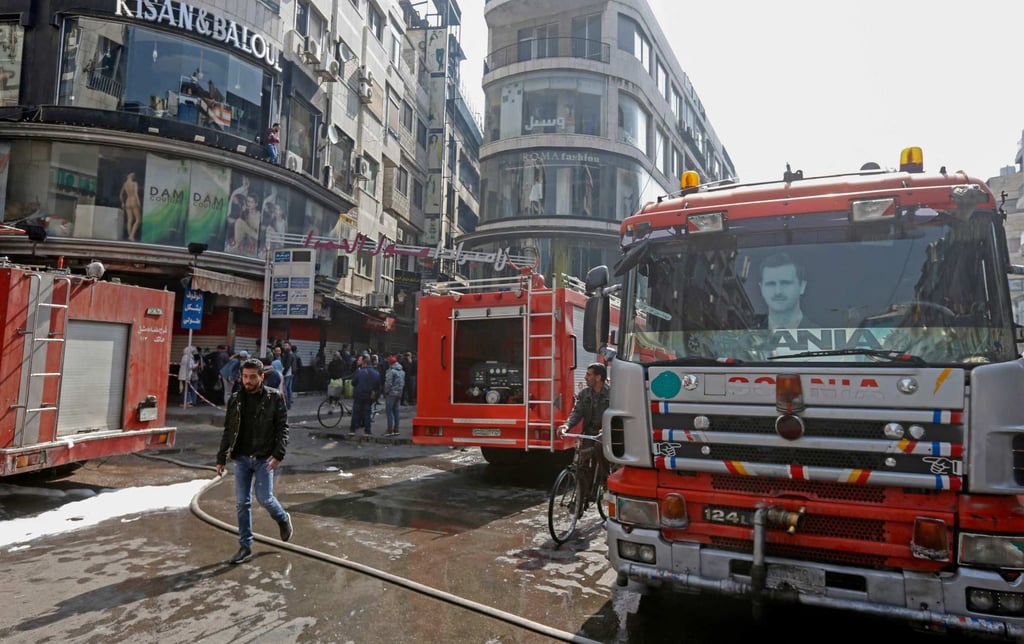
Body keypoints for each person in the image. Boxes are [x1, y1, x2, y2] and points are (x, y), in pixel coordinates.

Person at [216, 358, 292, 565]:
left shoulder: (274, 398)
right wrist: (221, 456)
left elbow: (283, 428)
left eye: (252, 377)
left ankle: (282, 518)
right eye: (244, 376)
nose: (247, 381)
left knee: (265, 498)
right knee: (242, 503)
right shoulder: (236, 399)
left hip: (264, 458)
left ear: (262, 377)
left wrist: (278, 454)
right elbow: (228, 429)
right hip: (241, 457)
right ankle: (245, 545)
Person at [558, 362, 611, 475]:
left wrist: (606, 429)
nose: (585, 377)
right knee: (583, 466)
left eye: (588, 375)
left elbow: (618, 416)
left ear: (598, 377)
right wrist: (566, 425)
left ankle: (605, 480)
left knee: (599, 448)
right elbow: (577, 413)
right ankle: (584, 492)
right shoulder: (584, 394)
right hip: (589, 433)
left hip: (607, 436)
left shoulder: (612, 394)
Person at [757, 252, 817, 330]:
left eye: (785, 283)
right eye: (771, 284)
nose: (778, 292)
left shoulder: (822, 337)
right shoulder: (746, 337)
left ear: (802, 286)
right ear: (761, 288)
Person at [349, 354, 381, 437]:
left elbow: (353, 383)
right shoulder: (376, 373)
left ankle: (352, 430)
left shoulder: (359, 371)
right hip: (369, 396)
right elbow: (377, 386)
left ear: (365, 364)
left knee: (355, 412)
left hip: (359, 395)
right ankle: (367, 431)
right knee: (367, 413)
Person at [382, 356, 405, 437]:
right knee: (396, 411)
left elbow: (388, 383)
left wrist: (385, 391)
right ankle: (396, 429)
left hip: (391, 394)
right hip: (399, 393)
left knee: (389, 411)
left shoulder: (391, 371)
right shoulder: (402, 371)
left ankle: (389, 429)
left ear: (390, 363)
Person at [120, 172, 142, 241]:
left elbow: (120, 195)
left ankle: (130, 236)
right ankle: (132, 235)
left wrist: (122, 203)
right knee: (138, 220)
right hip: (133, 200)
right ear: (133, 177)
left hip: (127, 201)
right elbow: (136, 193)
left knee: (129, 220)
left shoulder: (125, 184)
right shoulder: (134, 183)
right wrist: (138, 202)